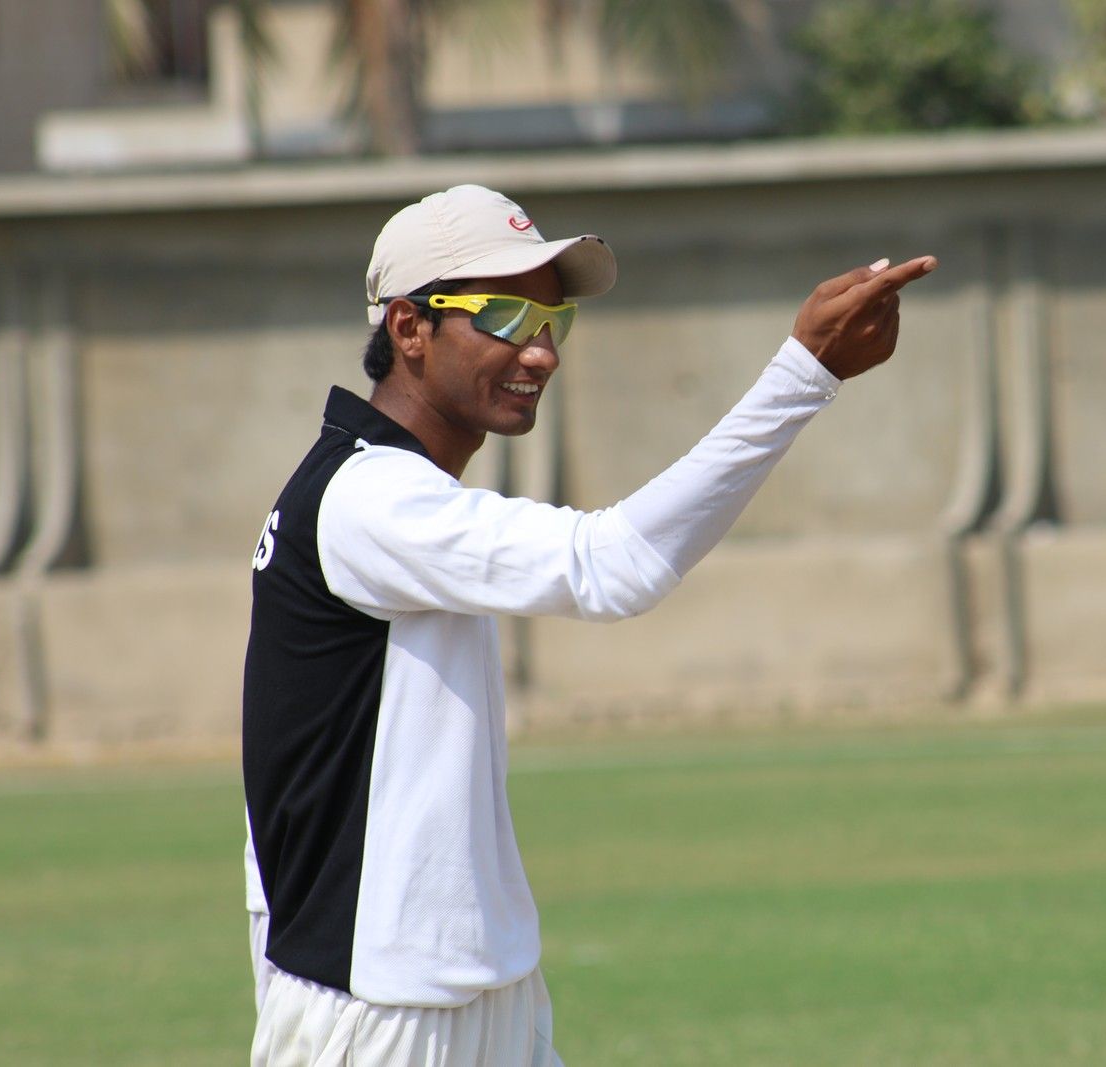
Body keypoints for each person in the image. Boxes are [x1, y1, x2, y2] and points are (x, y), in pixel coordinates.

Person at [241, 183, 936, 1066]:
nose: (540, 351)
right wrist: (804, 373)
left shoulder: (379, 485)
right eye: (503, 316)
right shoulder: (369, 497)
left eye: (552, 320)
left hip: (468, 986)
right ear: (410, 328)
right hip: (384, 1009)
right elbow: (611, 565)